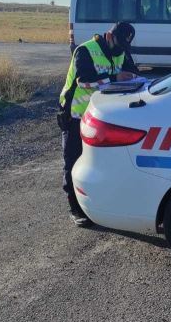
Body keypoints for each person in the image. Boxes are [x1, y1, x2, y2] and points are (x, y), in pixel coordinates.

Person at [58, 21, 139, 226]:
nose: (121, 51)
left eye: (125, 47)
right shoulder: (85, 51)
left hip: (103, 119)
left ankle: (98, 205)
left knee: (99, 164)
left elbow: (132, 72)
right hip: (75, 115)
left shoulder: (120, 52)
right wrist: (114, 77)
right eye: (119, 44)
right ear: (109, 36)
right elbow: (84, 81)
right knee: (73, 161)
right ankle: (75, 209)